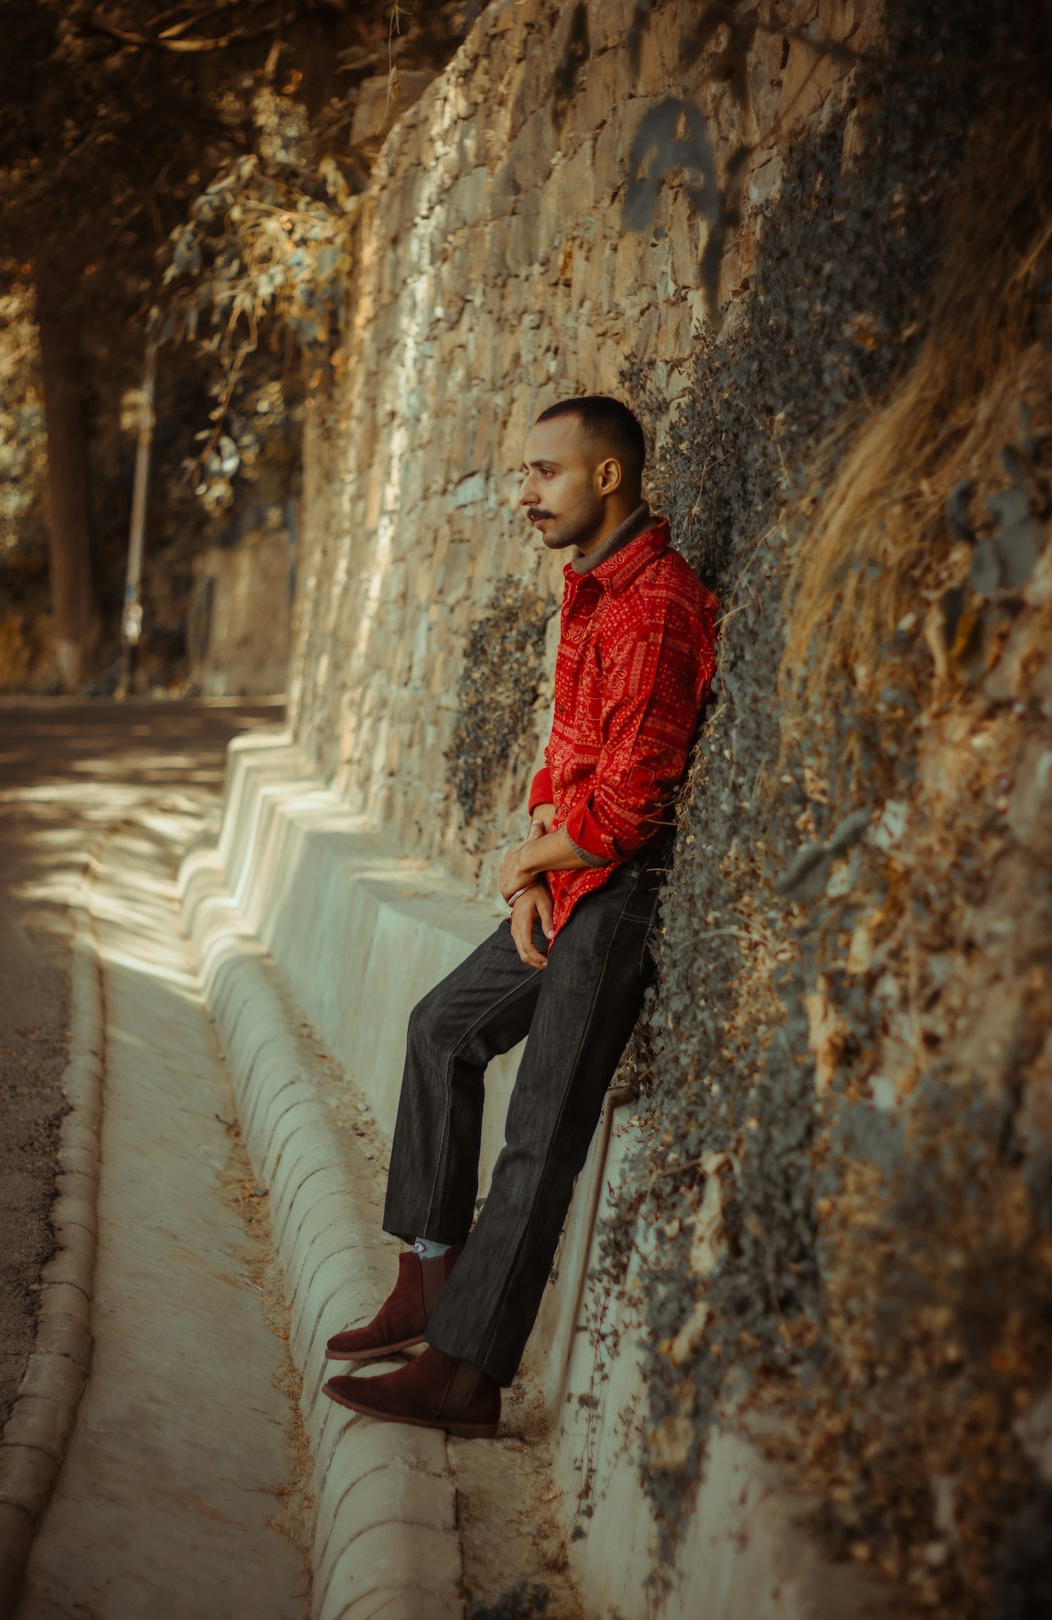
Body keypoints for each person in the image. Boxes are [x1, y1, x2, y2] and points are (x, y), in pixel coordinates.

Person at [322, 395, 720, 1437]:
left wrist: (527, 857)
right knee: (440, 1029)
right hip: (570, 883)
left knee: (542, 1129)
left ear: (606, 478)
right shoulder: (591, 590)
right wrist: (535, 874)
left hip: (619, 897)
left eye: (543, 473)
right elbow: (570, 754)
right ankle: (429, 1281)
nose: (524, 493)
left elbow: (636, 803)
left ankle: (465, 1376)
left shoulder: (659, 607)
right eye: (521, 474)